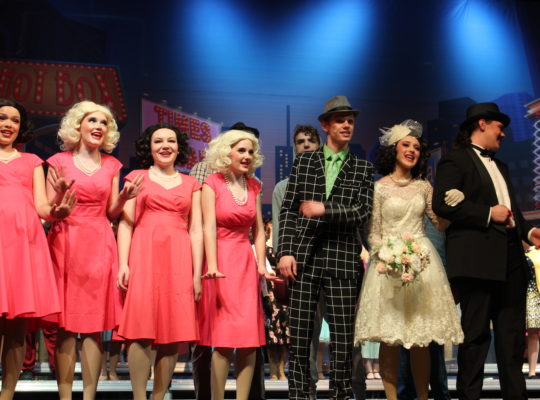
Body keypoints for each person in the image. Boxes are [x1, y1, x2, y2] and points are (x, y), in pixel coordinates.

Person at [433, 102, 540, 400]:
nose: (503, 134)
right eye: (499, 127)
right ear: (482, 124)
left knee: (511, 339)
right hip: (477, 262)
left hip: (511, 261)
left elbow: (513, 213)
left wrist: (529, 232)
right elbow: (442, 204)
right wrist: (487, 213)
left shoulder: (501, 166)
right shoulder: (455, 160)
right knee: (476, 338)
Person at [354, 120, 463, 400]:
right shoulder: (378, 188)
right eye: (406, 145)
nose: (412, 150)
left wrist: (454, 202)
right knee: (389, 339)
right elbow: (373, 234)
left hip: (422, 265)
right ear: (394, 149)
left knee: (420, 339)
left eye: (416, 147)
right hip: (388, 267)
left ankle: (423, 398)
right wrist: (389, 256)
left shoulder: (424, 187)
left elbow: (440, 223)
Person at [278, 95, 374, 399]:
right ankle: (299, 395)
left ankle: (341, 395)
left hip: (342, 261)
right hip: (304, 260)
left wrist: (325, 209)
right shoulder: (305, 162)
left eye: (350, 121)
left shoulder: (362, 167)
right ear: (325, 125)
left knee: (343, 340)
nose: (346, 125)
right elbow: (289, 210)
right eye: (340, 120)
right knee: (300, 338)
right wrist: (285, 251)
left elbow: (363, 212)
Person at [46, 100, 143, 400]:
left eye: (104, 122)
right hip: (65, 242)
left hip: (99, 244)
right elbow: (49, 210)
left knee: (93, 326)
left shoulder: (112, 165)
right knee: (64, 327)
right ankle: (65, 396)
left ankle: (89, 397)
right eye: (92, 120)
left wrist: (124, 197)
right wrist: (60, 198)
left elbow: (111, 212)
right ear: (78, 125)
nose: (99, 126)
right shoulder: (58, 161)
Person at [115, 123, 203, 399]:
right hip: (144, 254)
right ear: (149, 148)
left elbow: (197, 230)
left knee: (172, 330)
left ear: (179, 147)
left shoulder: (191, 184)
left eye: (171, 141)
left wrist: (196, 273)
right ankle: (139, 396)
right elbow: (126, 223)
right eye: (158, 141)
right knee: (140, 328)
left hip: (179, 257)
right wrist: (123, 263)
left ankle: (159, 395)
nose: (165, 145)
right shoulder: (137, 177)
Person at [0, 99, 75, 399]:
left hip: (22, 246)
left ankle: (7, 394)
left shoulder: (32, 161)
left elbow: (42, 207)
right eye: (2, 118)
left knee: (16, 330)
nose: (8, 124)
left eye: (14, 120)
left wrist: (57, 208)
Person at [190, 122, 266, 400]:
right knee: (221, 340)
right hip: (220, 262)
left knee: (248, 340)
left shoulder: (254, 185)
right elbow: (208, 227)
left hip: (245, 263)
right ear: (227, 153)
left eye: (250, 151)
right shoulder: (211, 183)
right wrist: (211, 265)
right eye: (241, 150)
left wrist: (260, 264)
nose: (246, 156)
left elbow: (258, 230)